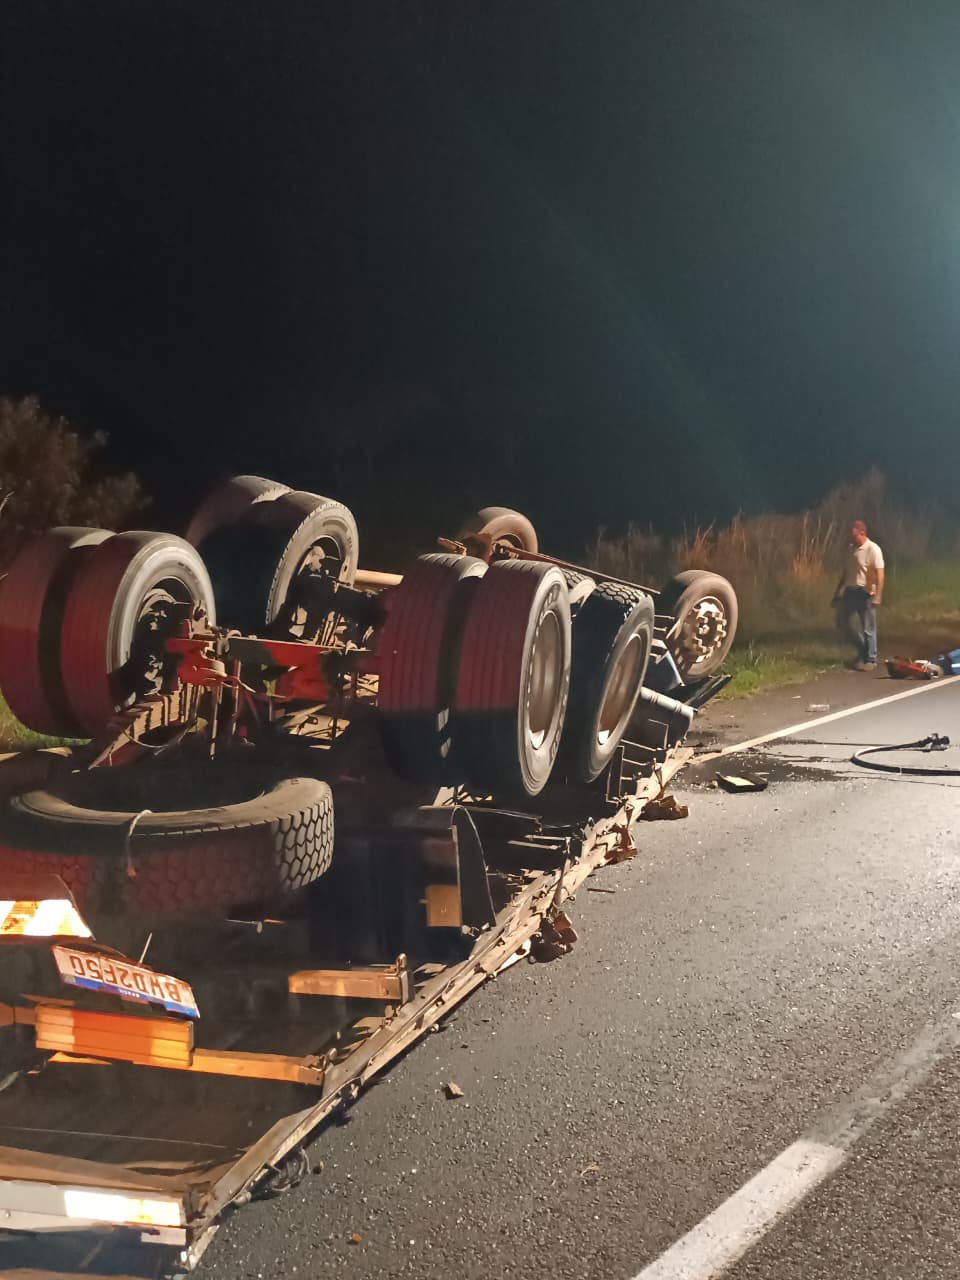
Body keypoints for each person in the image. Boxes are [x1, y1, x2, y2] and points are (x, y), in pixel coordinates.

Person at [832, 520, 885, 670]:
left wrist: (878, 595)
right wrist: (837, 592)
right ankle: (862, 649)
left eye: (854, 535)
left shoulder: (873, 549)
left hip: (865, 591)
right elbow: (846, 572)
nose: (852, 538)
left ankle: (870, 659)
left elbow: (880, 574)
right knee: (842, 622)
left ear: (862, 533)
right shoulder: (851, 549)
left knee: (868, 627)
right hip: (850, 590)